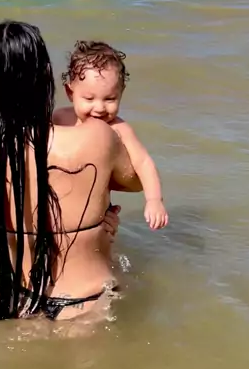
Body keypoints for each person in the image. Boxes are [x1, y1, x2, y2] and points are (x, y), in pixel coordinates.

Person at [0, 21, 142, 324]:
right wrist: (101, 215)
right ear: (47, 76)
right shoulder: (97, 136)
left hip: (17, 301)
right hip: (85, 302)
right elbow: (135, 181)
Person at [54, 40, 168, 231]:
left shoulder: (119, 128)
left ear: (121, 93)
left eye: (110, 99)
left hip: (99, 210)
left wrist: (154, 200)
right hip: (63, 199)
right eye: (89, 98)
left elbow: (143, 163)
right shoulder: (59, 118)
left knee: (102, 234)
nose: (99, 108)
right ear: (70, 92)